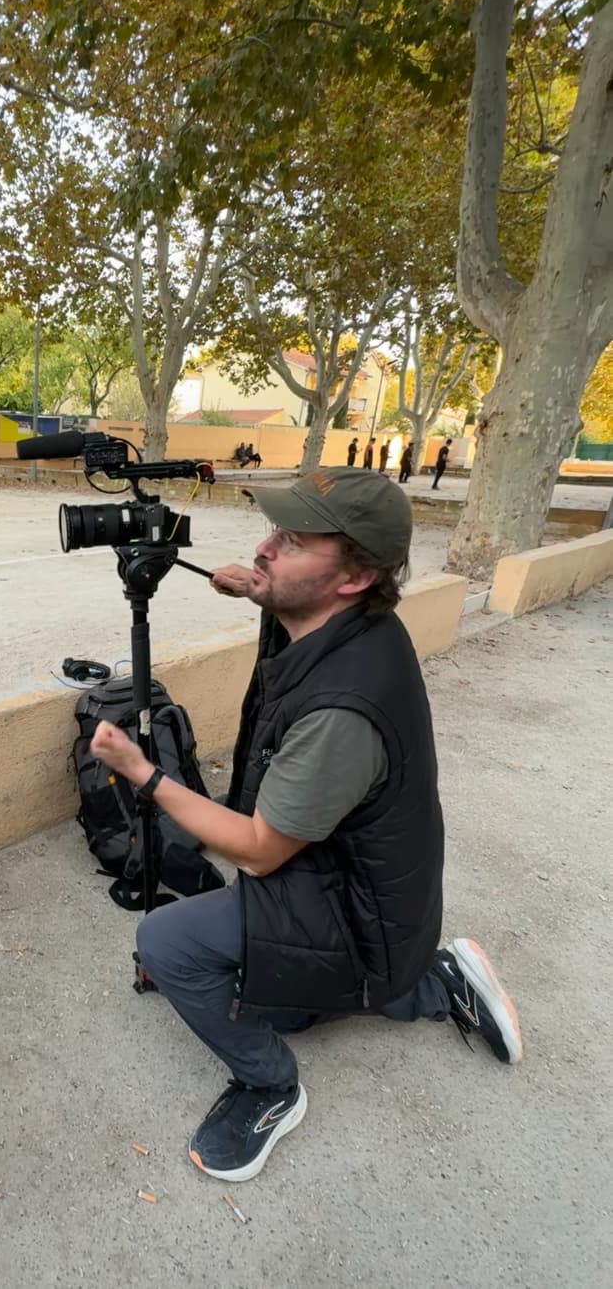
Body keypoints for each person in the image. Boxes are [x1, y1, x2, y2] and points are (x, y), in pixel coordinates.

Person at [89, 467, 522, 1184]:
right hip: (369, 894)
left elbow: (258, 852)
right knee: (261, 984)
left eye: (291, 543)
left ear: (351, 577)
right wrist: (258, 587)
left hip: (355, 913)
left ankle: (270, 1087)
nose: (264, 550)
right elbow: (289, 603)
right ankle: (433, 982)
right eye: (272, 534)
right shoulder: (350, 627)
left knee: (165, 942)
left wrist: (144, 774)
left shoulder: (342, 712)